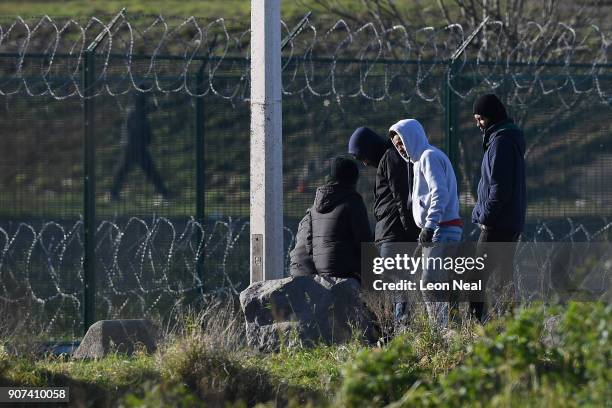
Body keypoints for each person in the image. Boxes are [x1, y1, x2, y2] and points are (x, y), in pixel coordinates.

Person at [389, 119, 463, 329]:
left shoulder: (428, 157)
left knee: (430, 282)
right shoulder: (420, 160)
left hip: (442, 229)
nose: (400, 148)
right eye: (396, 145)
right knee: (440, 282)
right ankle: (449, 328)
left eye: (401, 142)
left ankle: (440, 329)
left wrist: (430, 225)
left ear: (412, 137)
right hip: (439, 228)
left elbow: (439, 192)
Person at [348, 127, 420, 323]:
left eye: (363, 156)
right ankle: (402, 336)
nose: (364, 162)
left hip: (395, 236)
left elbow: (402, 198)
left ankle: (401, 339)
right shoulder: (388, 159)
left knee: (400, 293)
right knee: (399, 291)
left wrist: (411, 232)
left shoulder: (390, 158)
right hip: (391, 234)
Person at [470, 94, 526, 322]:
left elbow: (499, 188)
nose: (478, 124)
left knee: (476, 277)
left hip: (497, 223)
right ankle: (510, 327)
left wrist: (486, 217)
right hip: (508, 221)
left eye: (481, 118)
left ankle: (475, 327)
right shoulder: (504, 138)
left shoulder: (500, 142)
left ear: (492, 116)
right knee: (502, 278)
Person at [309, 156, 372, 281]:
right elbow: (364, 241)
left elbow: (309, 242)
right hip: (346, 269)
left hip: (321, 270)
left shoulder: (315, 206)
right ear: (353, 178)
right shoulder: (353, 200)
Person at [110, 92, 170, 201]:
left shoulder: (136, 111)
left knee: (127, 171)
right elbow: (139, 130)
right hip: (135, 147)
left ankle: (113, 194)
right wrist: (147, 138)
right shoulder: (136, 112)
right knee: (149, 171)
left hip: (134, 147)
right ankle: (164, 193)